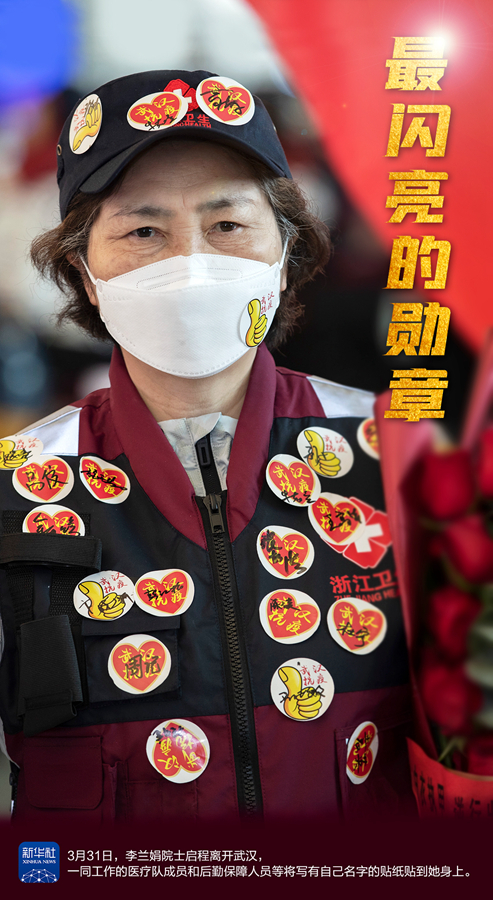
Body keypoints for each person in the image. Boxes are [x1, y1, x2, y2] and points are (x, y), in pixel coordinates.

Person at [0, 70, 414, 822]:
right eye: (143, 231)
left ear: (284, 252)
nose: (189, 263)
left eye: (227, 225)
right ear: (84, 275)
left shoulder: (395, 455)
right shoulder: (20, 485)